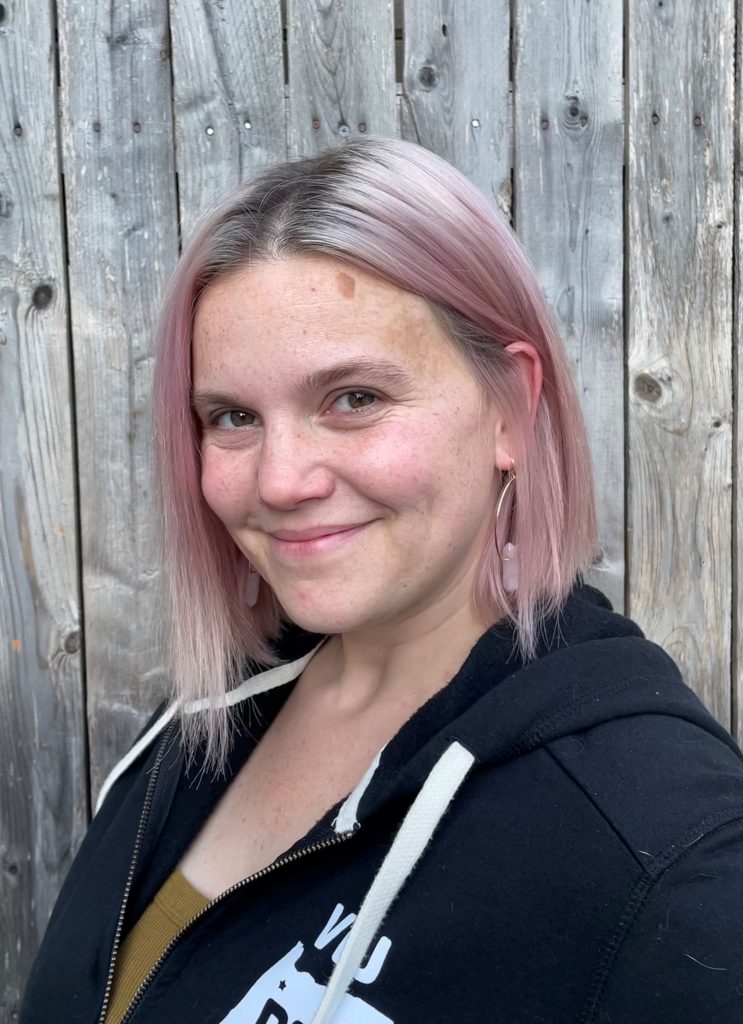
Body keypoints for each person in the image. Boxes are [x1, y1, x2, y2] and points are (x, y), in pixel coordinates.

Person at [21, 137, 742, 1024]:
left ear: (509, 408)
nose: (280, 480)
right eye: (233, 416)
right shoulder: (205, 724)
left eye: (353, 397)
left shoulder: (665, 844)